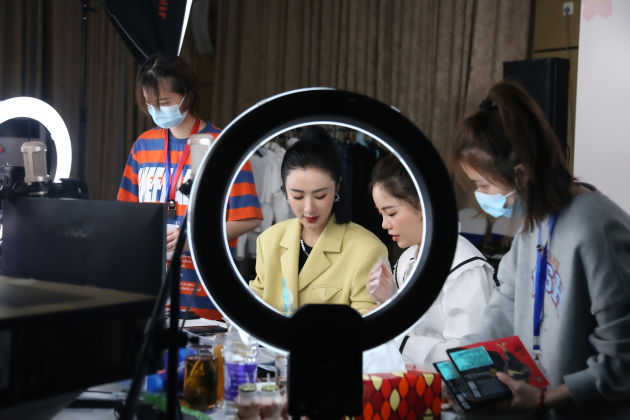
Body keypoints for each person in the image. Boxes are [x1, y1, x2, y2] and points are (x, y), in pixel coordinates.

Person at [452, 80, 630, 419]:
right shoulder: (534, 220)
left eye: (483, 185)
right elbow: (508, 299)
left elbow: (621, 361)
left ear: (521, 174)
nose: (480, 195)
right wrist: (463, 364)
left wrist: (544, 399)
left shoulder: (596, 227)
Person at [118, 53, 263, 319]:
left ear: (187, 93)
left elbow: (249, 218)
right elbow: (125, 213)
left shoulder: (223, 147)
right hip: (151, 287)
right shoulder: (143, 145)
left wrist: (193, 237)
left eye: (164, 102)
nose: (156, 110)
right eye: (150, 104)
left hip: (204, 286)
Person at [367, 155, 496, 370]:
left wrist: (394, 335)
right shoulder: (407, 259)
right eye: (381, 214)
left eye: (391, 213)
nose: (384, 224)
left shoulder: (464, 267)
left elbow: (470, 357)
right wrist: (389, 305)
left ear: (423, 204)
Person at [249, 126, 386, 314]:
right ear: (285, 190)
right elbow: (256, 299)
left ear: (337, 187)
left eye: (320, 196)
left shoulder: (367, 249)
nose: (309, 208)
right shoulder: (268, 240)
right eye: (297, 196)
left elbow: (366, 320)